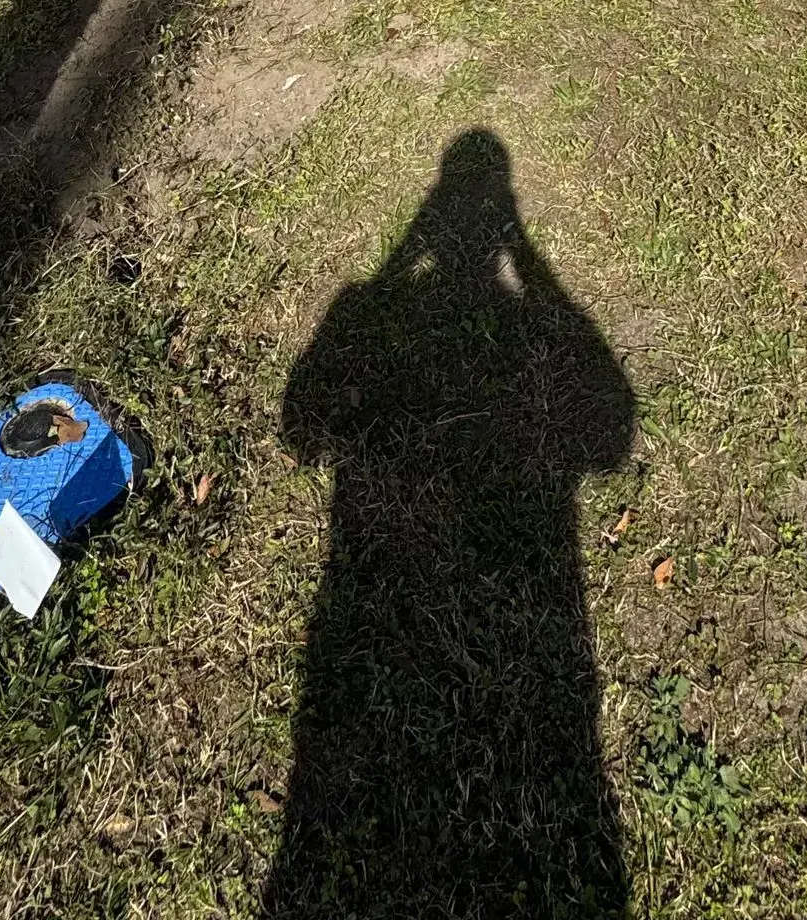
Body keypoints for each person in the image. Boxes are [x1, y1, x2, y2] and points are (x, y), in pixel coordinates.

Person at [267, 131, 636, 916]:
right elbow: (608, 440)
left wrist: (392, 272)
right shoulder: (446, 307)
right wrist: (525, 258)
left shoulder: (367, 308)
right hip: (541, 647)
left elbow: (301, 430)